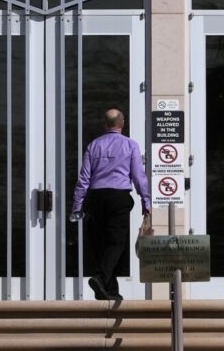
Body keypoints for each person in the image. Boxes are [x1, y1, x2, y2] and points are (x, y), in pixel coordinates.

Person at [71, 108, 151, 301]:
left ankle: (109, 290)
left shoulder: (93, 146)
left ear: (105, 124)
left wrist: (77, 206)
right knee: (116, 243)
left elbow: (84, 179)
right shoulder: (131, 145)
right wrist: (146, 200)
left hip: (96, 198)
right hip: (118, 197)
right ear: (122, 124)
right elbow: (138, 177)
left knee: (102, 244)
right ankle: (101, 278)